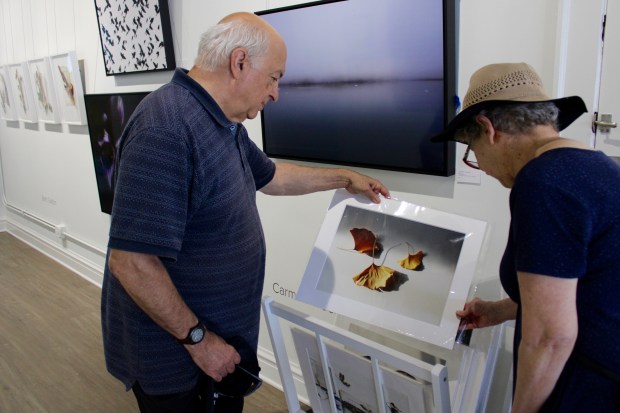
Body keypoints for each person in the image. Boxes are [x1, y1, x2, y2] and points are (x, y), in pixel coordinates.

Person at [100, 11, 390, 413]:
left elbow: (272, 177)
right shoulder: (165, 127)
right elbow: (131, 262)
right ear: (239, 63)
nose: (275, 94)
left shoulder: (221, 122)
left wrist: (343, 178)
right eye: (274, 78)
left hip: (215, 350)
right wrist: (200, 342)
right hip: (175, 360)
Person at [431, 62, 620, 412]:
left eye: (472, 153)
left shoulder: (543, 183)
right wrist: (500, 310)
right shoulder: (599, 166)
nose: (481, 167)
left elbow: (551, 336)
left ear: (487, 129)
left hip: (584, 384)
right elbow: (583, 288)